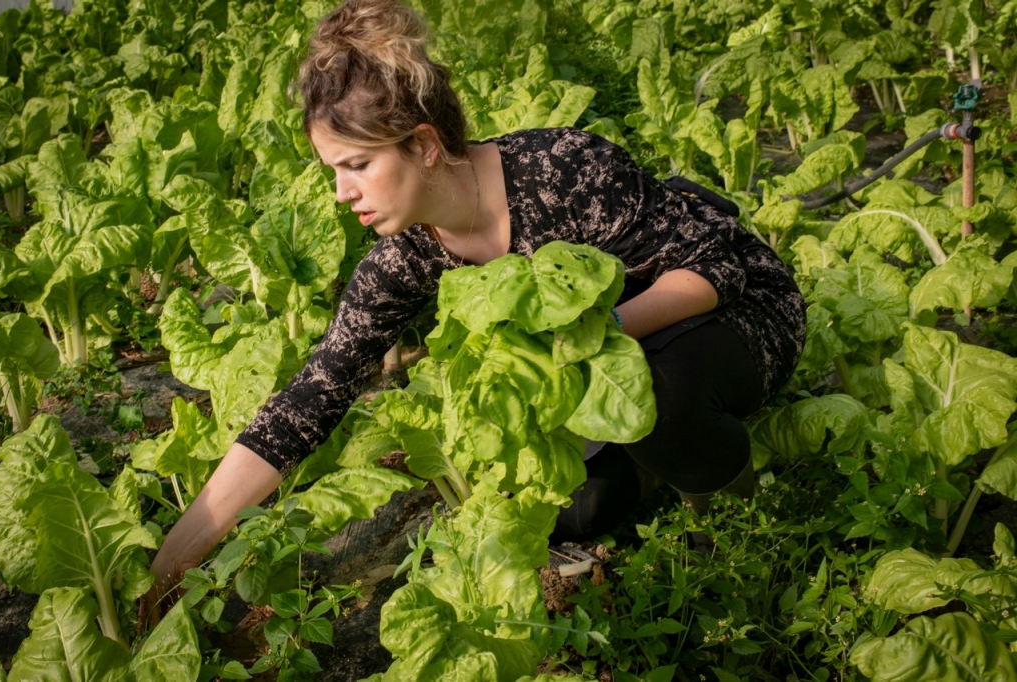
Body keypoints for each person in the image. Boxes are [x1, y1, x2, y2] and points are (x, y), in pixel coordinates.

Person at [145, 0, 806, 610]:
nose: (341, 193)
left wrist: (592, 334)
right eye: (332, 171)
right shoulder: (404, 258)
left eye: (357, 165)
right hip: (604, 370)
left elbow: (714, 270)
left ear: (425, 146)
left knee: (661, 396)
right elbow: (310, 399)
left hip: (731, 316)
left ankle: (733, 536)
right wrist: (179, 551)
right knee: (573, 510)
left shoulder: (562, 171)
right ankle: (653, 464)